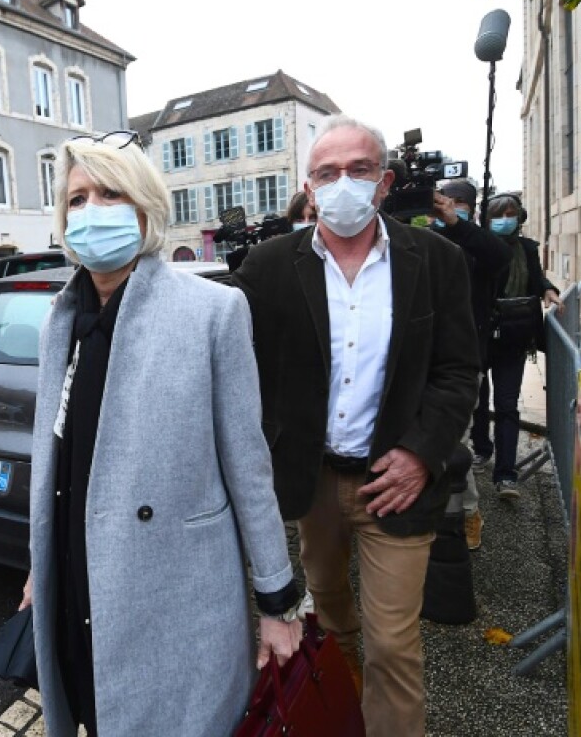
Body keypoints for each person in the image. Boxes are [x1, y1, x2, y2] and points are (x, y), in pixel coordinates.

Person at [20, 131, 302, 737]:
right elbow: (58, 458)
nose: (91, 209)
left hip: (179, 594)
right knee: (96, 712)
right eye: (77, 198)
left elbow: (248, 466)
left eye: (110, 192)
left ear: (144, 207)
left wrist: (277, 600)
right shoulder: (58, 321)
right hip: (80, 579)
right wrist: (39, 563)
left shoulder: (212, 312)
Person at [234, 114, 480, 737]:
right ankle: (346, 719)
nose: (342, 182)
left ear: (385, 180)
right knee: (333, 619)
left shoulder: (436, 260)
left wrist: (422, 454)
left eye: (358, 169)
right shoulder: (266, 268)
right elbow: (232, 366)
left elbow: (457, 371)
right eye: (327, 172)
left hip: (394, 481)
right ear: (309, 187)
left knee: (392, 643)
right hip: (310, 482)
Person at [432, 180, 512, 550]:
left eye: (460, 203)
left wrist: (457, 224)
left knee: (455, 440)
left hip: (464, 360)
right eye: (447, 201)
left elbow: (500, 256)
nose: (452, 206)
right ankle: (437, 511)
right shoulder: (427, 239)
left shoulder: (476, 243)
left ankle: (467, 513)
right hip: (421, 359)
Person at [470, 192, 562, 500]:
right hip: (483, 337)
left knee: (508, 406)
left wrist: (548, 289)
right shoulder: (480, 249)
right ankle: (481, 448)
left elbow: (536, 278)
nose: (505, 219)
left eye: (511, 213)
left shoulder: (527, 249)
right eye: (499, 214)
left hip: (515, 337)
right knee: (478, 402)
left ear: (519, 218)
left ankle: (506, 475)